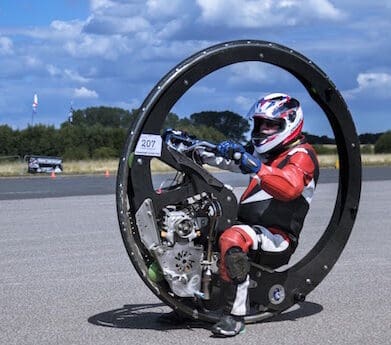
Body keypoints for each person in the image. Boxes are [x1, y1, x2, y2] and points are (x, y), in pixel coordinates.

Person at [197, 93, 320, 337]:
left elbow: (289, 187)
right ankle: (188, 301)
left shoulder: (302, 156)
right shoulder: (267, 154)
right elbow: (230, 160)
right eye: (260, 123)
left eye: (271, 124)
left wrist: (252, 164)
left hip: (277, 237)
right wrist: (194, 147)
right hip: (250, 228)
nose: (263, 130)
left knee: (233, 238)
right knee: (202, 227)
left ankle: (235, 315)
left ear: (290, 122)